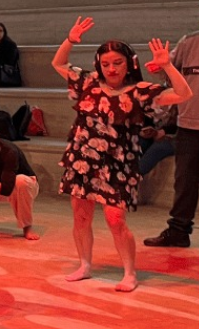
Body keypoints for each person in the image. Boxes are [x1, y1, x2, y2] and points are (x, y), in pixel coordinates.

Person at [52, 17, 193, 291]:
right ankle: (85, 265)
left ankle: (130, 273)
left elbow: (183, 93)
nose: (111, 68)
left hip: (119, 164)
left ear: (129, 64)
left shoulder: (139, 92)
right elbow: (59, 64)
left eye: (117, 63)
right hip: (83, 160)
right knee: (80, 216)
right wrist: (69, 40)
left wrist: (167, 65)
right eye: (105, 64)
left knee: (115, 219)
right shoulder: (88, 83)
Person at [144, 28, 199, 249]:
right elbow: (168, 72)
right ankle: (178, 231)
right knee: (184, 182)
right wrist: (160, 66)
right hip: (188, 126)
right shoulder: (190, 41)